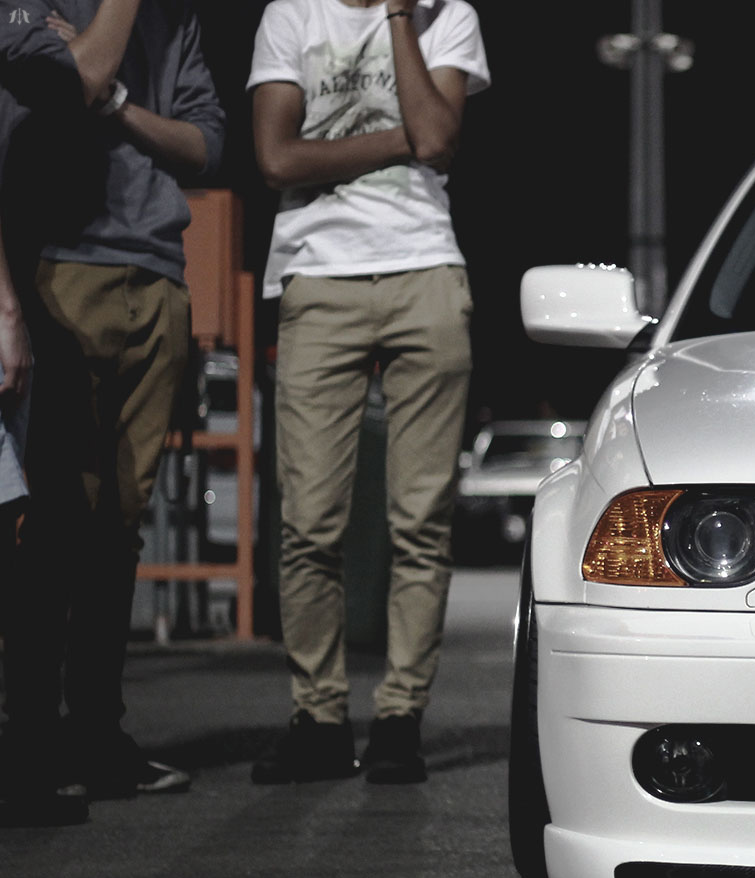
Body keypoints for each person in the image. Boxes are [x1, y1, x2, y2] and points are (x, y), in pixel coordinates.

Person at [247, 0, 488, 786]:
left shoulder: (446, 16)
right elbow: (276, 158)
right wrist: (399, 139)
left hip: (426, 272)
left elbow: (440, 137)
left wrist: (397, 19)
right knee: (309, 520)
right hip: (319, 277)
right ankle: (319, 718)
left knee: (421, 520)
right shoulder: (292, 14)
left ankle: (398, 719)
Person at [1, 0, 202, 821]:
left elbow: (207, 142)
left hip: (156, 270)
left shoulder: (175, 19)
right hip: (59, 262)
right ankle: (30, 742)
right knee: (52, 516)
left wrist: (121, 106)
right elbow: (78, 78)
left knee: (121, 519)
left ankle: (94, 734)